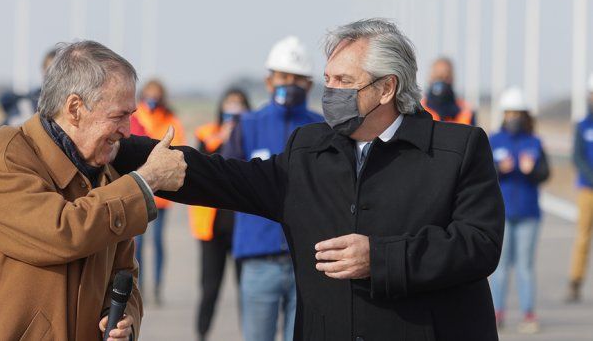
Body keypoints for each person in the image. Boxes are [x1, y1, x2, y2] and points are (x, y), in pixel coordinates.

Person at [115, 18, 505, 341]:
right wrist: (117, 145)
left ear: (387, 88)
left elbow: (479, 244)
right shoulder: (310, 149)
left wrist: (380, 258)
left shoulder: (458, 149)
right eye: (328, 79)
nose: (330, 92)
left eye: (343, 81)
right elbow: (225, 177)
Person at [0, 41, 187, 341]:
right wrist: (145, 182)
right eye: (118, 116)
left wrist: (122, 316)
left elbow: (124, 274)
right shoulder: (3, 155)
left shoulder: (107, 177)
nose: (127, 130)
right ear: (74, 109)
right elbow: (61, 232)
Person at [222, 36, 322, 341]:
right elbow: (226, 179)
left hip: (307, 262)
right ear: (269, 80)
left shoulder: (323, 129)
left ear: (309, 83)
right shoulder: (247, 126)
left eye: (297, 78)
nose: (289, 83)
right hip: (258, 258)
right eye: (283, 76)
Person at [190, 88, 251, 341]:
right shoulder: (207, 133)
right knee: (209, 287)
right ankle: (202, 333)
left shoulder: (251, 134)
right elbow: (199, 163)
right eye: (230, 104)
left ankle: (250, 333)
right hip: (212, 228)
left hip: (243, 226)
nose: (234, 109)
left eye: (239, 105)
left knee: (246, 289)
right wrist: (222, 137)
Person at [488, 87, 550, 334]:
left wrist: (531, 171)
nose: (513, 117)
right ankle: (496, 313)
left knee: (525, 267)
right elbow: (481, 174)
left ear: (525, 115)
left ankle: (528, 313)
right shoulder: (493, 140)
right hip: (501, 214)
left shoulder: (534, 141)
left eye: (518, 113)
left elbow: (545, 173)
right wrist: (499, 168)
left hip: (528, 214)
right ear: (503, 114)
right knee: (499, 268)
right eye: (509, 113)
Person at [131, 79, 186, 303]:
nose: (152, 97)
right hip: (140, 190)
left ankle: (158, 286)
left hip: (162, 194)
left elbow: (179, 146)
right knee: (139, 243)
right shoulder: (136, 115)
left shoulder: (170, 119)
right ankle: (140, 284)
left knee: (159, 242)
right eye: (149, 93)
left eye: (156, 93)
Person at [567, 73, 593, 302]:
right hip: (588, 190)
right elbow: (577, 156)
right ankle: (575, 281)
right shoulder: (583, 125)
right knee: (583, 237)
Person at [0, 47, 58, 126]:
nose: (56, 77)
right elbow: (0, 134)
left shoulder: (75, 107)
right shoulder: (26, 104)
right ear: (43, 71)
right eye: (51, 71)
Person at [422, 57, 476, 125]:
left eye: (446, 77)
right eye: (437, 77)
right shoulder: (417, 110)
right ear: (429, 78)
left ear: (453, 78)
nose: (441, 81)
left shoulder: (466, 112)